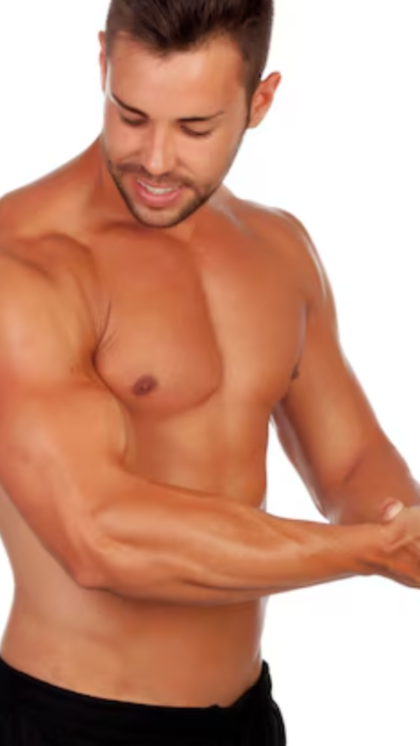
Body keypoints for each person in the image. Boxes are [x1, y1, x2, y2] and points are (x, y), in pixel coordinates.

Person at [0, 0, 419, 744]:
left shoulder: (280, 248)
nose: (157, 160)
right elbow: (100, 538)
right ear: (103, 63)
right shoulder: (24, 261)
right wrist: (371, 553)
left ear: (261, 101)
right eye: (131, 115)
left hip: (248, 717)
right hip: (74, 722)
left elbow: (352, 459)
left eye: (195, 128)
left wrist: (403, 523)